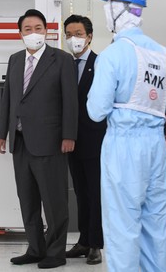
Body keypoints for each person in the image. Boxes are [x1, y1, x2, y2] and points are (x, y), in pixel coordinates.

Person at [87, 0, 166, 272]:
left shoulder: (113, 55)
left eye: (109, 5)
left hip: (123, 146)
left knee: (122, 225)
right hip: (155, 147)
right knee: (156, 221)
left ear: (119, 8)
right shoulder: (164, 55)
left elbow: (96, 111)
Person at [0, 9, 78, 269]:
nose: (33, 33)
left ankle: (55, 253)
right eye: (28, 29)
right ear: (20, 33)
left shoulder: (62, 59)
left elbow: (70, 102)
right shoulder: (15, 59)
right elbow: (8, 98)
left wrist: (68, 135)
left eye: (38, 28)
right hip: (20, 141)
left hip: (51, 141)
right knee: (27, 199)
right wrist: (2, 133)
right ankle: (35, 248)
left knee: (54, 202)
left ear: (46, 30)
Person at [63, 15, 107, 265]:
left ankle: (96, 245)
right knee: (80, 192)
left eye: (78, 33)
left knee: (95, 193)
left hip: (96, 140)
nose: (73, 39)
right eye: (68, 34)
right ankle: (83, 240)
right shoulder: (64, 65)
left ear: (89, 36)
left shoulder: (101, 64)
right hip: (72, 141)